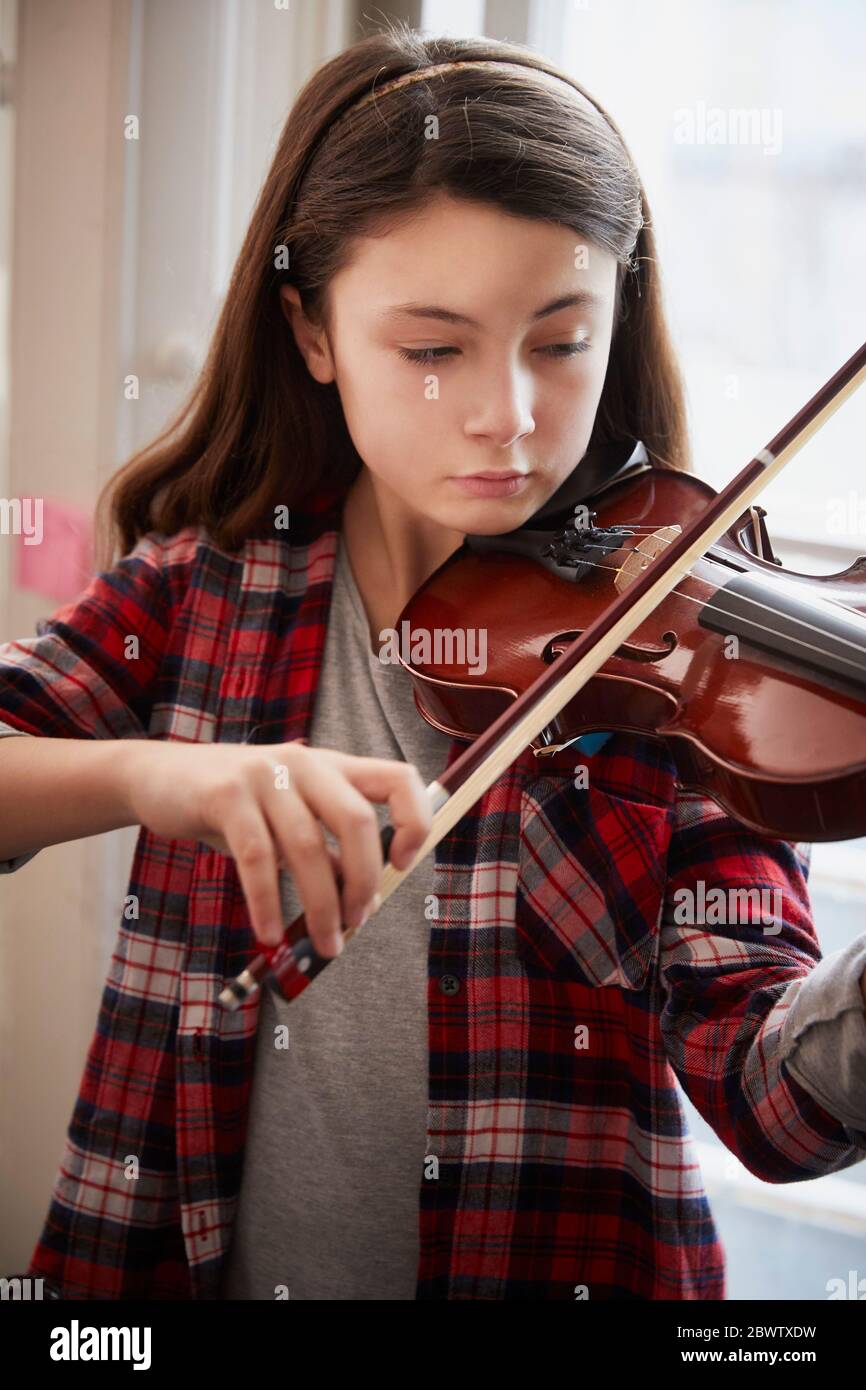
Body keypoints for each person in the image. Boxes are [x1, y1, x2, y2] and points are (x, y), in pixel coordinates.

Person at [1, 23, 865, 1302]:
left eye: (560, 341)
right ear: (311, 333)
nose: (506, 414)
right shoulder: (206, 593)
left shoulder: (680, 675)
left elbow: (770, 1104)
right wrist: (158, 781)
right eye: (431, 349)